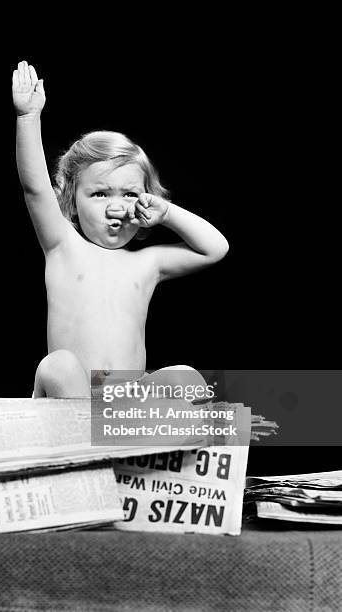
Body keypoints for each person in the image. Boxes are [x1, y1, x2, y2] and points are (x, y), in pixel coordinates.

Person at [13, 60, 229, 399]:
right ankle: (84, 447)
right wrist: (28, 118)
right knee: (58, 365)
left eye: (129, 194)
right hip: (72, 398)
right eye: (99, 194)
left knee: (185, 378)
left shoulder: (147, 263)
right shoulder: (63, 246)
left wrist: (167, 213)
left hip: (123, 406)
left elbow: (215, 249)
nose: (116, 206)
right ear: (71, 201)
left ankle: (139, 447)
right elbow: (36, 189)